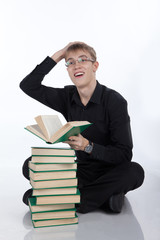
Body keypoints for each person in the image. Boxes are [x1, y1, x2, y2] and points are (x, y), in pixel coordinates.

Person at [20, 42, 144, 213]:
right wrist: (58, 55)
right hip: (81, 171)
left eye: (82, 60)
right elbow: (28, 85)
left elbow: (124, 155)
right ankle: (107, 198)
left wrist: (88, 146)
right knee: (30, 165)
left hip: (110, 170)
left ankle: (71, 200)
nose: (76, 65)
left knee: (135, 171)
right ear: (68, 69)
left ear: (95, 66)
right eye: (70, 62)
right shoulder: (67, 97)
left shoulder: (115, 101)